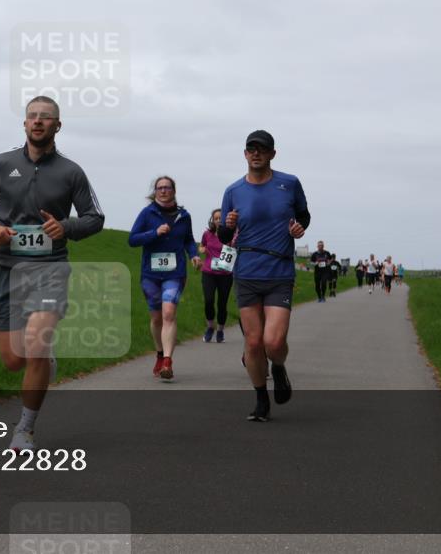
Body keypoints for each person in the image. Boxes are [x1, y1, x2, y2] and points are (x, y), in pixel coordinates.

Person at [0, 96, 104, 452]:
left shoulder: (71, 172)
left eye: (46, 117)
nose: (38, 121)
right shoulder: (2, 163)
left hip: (50, 269)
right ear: (25, 123)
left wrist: (66, 227)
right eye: (33, 116)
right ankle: (43, 361)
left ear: (58, 125)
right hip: (7, 269)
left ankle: (25, 429)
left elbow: (95, 218)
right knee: (14, 360)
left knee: (36, 344)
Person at [218, 130, 310, 422]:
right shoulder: (233, 191)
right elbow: (223, 236)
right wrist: (228, 225)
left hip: (279, 271)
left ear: (272, 154)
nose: (256, 153)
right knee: (254, 343)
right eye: (251, 149)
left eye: (262, 149)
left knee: (273, 342)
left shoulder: (289, 183)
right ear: (245, 154)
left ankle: (278, 367)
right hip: (246, 272)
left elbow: (304, 216)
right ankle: (261, 400)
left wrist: (298, 228)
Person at [129, 177, 202, 380]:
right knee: (156, 318)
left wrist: (194, 255)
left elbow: (188, 240)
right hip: (150, 274)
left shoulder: (184, 216)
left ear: (173, 191)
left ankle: (168, 361)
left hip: (175, 273)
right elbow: (132, 240)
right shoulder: (147, 213)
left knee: (168, 313)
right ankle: (160, 354)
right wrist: (155, 232)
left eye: (167, 188)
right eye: (159, 188)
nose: (163, 191)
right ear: (155, 191)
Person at [198, 208, 235, 344]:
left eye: (221, 218)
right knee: (208, 301)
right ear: (212, 220)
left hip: (225, 274)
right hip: (209, 272)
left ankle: (220, 330)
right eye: (216, 218)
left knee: (222, 304)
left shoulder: (232, 234)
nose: (218, 220)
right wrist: (203, 249)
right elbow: (201, 246)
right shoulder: (207, 234)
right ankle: (210, 327)